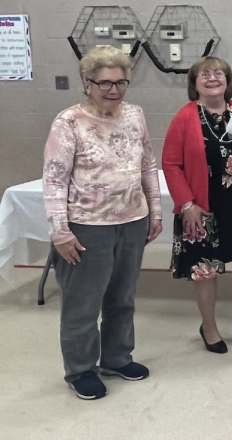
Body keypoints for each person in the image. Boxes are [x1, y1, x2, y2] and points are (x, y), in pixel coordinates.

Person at [42, 46, 162, 400]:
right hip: (85, 226)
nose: (114, 90)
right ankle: (80, 370)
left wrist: (154, 211)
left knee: (122, 297)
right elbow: (53, 179)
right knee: (83, 302)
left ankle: (117, 357)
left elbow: (147, 166)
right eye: (105, 83)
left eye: (121, 82)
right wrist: (60, 231)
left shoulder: (135, 115)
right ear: (87, 83)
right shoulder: (69, 122)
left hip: (133, 220)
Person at [162, 57, 232, 353]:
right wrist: (186, 203)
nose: (213, 78)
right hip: (201, 208)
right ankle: (209, 328)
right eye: (205, 75)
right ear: (194, 83)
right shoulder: (185, 117)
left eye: (219, 73)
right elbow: (171, 164)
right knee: (206, 270)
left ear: (228, 80)